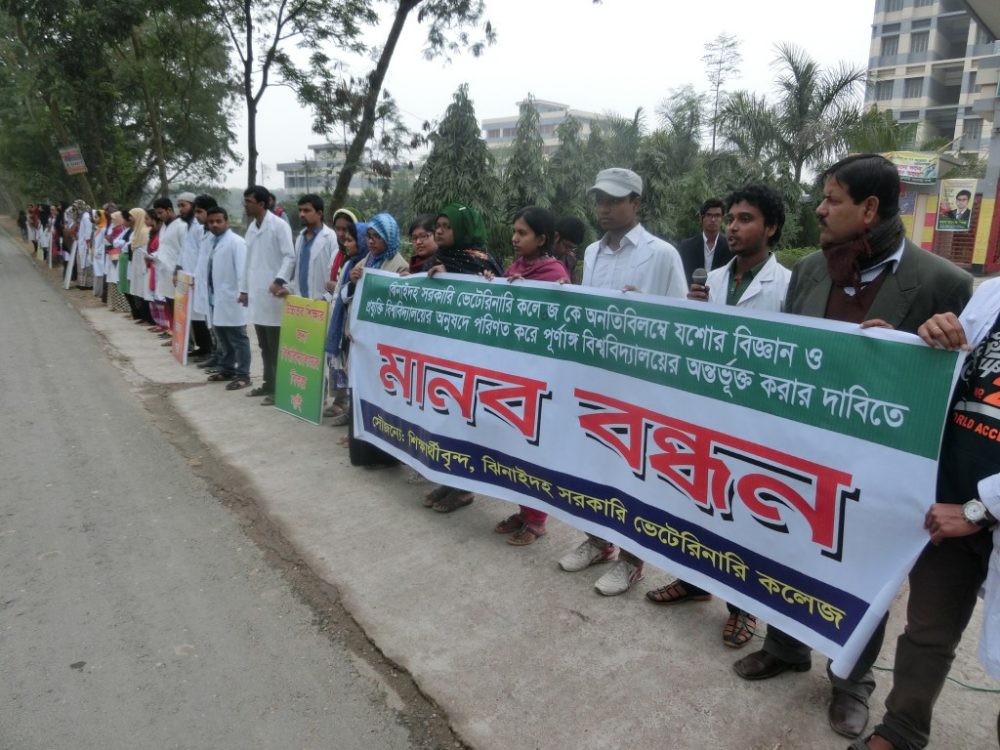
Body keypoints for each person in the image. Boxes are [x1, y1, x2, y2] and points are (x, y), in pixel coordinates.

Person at [732, 153, 973, 741]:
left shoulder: (946, 283)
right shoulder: (811, 270)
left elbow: (967, 385)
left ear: (869, 209)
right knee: (789, 544)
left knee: (864, 573)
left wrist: (932, 348)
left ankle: (850, 683)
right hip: (804, 448)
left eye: (831, 199)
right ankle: (786, 646)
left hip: (881, 469)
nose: (818, 209)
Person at [847, 283, 1000, 749]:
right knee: (927, 631)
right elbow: (955, 372)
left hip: (974, 508)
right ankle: (902, 731)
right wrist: (907, 349)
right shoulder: (992, 294)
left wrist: (982, 508)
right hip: (948, 501)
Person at [645, 183, 791, 647]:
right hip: (707, 413)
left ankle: (743, 608)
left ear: (771, 228)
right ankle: (693, 580)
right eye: (730, 218)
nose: (732, 227)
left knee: (743, 514)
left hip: (757, 419)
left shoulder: (786, 285)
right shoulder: (713, 280)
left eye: (745, 219)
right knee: (696, 501)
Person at [559, 166, 687, 596]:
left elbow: (682, 322)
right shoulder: (593, 253)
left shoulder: (662, 254)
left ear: (636, 202)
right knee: (596, 463)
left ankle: (633, 561)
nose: (605, 208)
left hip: (643, 385)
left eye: (614, 200)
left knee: (637, 472)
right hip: (599, 380)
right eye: (601, 200)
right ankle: (599, 541)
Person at [486, 206, 569, 545]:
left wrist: (529, 296)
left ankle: (537, 519)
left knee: (534, 449)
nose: (514, 238)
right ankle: (523, 510)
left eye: (522, 233)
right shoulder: (514, 268)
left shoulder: (555, 273)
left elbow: (559, 322)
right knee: (514, 446)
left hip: (542, 377)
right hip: (514, 372)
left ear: (543, 238)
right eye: (514, 232)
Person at [424, 202, 503, 512]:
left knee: (464, 420)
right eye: (438, 226)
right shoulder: (440, 259)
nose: (439, 231)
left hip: (472, 359)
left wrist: (454, 276)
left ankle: (465, 488)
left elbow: (497, 306)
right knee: (445, 418)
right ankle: (449, 477)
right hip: (444, 355)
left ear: (465, 229)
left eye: (447, 226)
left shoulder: (482, 263)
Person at [239, 185, 296, 405]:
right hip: (257, 296)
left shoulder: (279, 226)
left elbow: (289, 257)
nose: (245, 205)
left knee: (276, 346)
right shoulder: (251, 229)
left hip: (274, 297)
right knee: (263, 345)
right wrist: (244, 290)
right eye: (244, 201)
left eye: (249, 201)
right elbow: (248, 263)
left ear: (262, 204)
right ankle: (268, 383)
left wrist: (279, 280)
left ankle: (280, 388)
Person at [324, 221, 369, 426]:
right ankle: (351, 416)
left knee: (362, 378)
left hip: (361, 332)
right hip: (346, 328)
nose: (346, 243)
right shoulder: (351, 265)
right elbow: (341, 296)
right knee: (350, 374)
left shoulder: (369, 264)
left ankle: (358, 421)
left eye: (351, 240)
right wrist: (350, 282)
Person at [202, 207, 252, 391]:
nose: (215, 225)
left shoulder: (236, 242)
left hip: (232, 298)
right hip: (216, 297)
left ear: (227, 222)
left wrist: (243, 292)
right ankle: (227, 369)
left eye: (218, 221)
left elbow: (242, 270)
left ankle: (243, 375)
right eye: (211, 222)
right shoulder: (212, 241)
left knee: (238, 338)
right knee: (222, 336)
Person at [181, 194, 217, 361]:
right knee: (197, 315)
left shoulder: (210, 231)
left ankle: (210, 350)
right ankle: (203, 348)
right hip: (193, 276)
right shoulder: (195, 227)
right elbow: (187, 251)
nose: (196, 215)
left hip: (204, 280)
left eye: (199, 211)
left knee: (206, 318)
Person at [289, 194, 338, 302]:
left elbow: (335, 271)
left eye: (306, 210)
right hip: (299, 303)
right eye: (300, 210)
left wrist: (327, 297)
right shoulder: (300, 238)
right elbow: (299, 273)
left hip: (322, 302)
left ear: (319, 213)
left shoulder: (330, 237)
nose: (301, 214)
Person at [677, 197, 733, 285]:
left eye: (717, 215)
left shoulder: (731, 247)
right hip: (692, 295)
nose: (713, 220)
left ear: (722, 218)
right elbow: (680, 276)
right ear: (701, 218)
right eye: (709, 215)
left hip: (719, 296)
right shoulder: (687, 246)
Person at [552, 216, 585, 281]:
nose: (568, 251)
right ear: (556, 237)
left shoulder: (570, 260)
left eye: (572, 248)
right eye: (566, 246)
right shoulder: (537, 256)